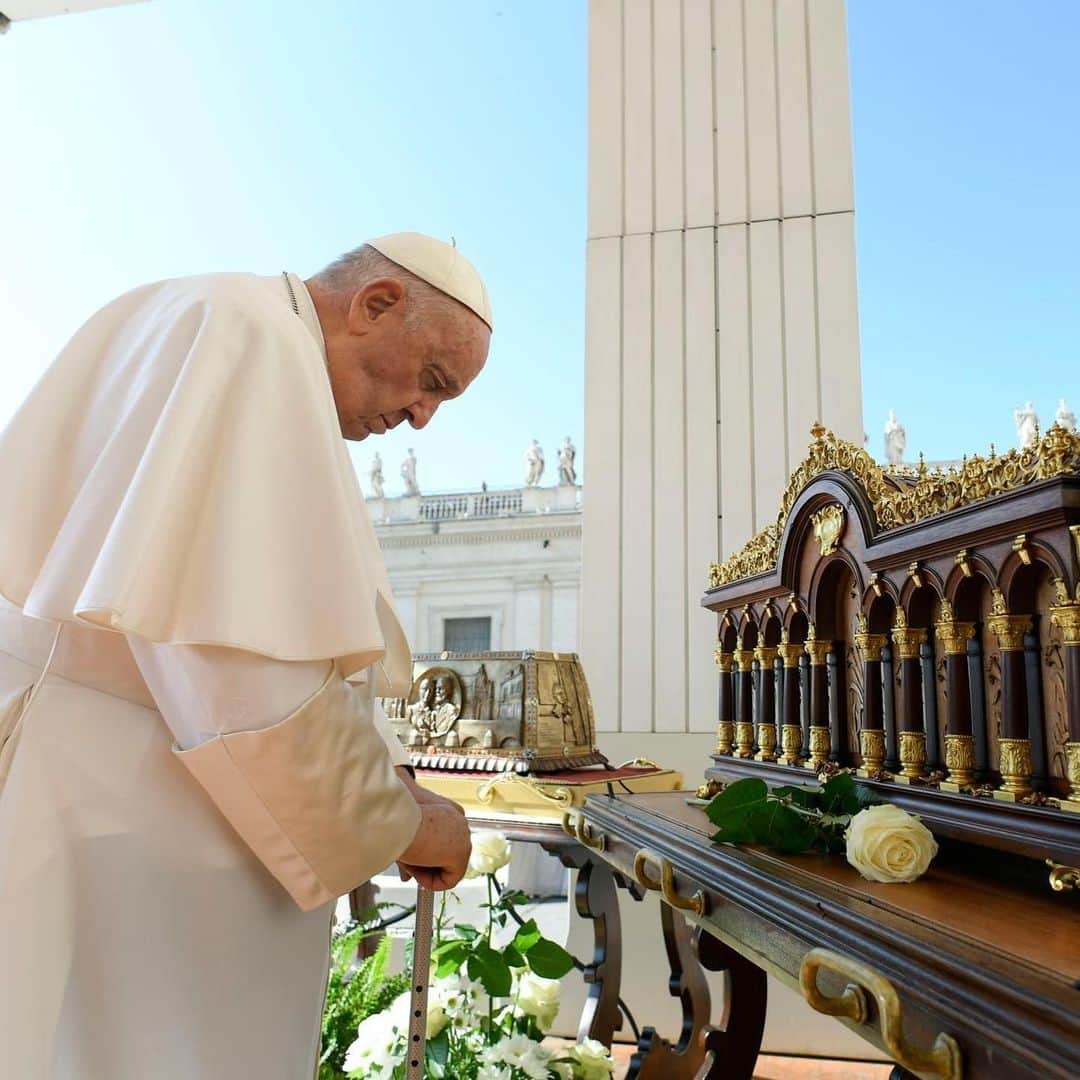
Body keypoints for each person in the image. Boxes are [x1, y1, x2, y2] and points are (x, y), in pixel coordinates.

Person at [0, 232, 491, 1077]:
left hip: (98, 784)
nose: (420, 416)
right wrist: (399, 820)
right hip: (126, 817)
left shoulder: (202, 311)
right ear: (376, 304)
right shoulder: (253, 341)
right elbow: (245, 683)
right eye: (431, 381)